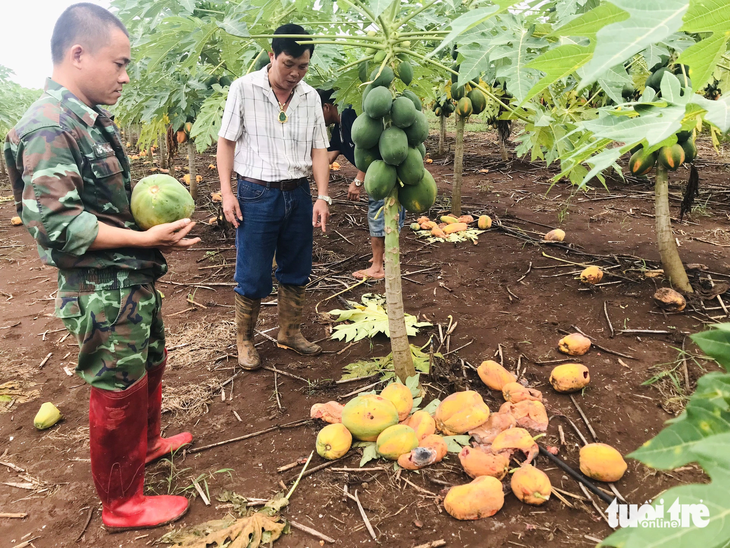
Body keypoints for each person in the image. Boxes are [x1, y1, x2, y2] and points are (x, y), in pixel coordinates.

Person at [4, 3, 199, 531]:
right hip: (100, 287)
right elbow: (58, 225)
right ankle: (121, 504)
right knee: (118, 384)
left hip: (128, 276)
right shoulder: (48, 126)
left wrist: (148, 233)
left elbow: (105, 203)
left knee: (149, 362)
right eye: (118, 63)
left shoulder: (87, 120)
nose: (125, 75)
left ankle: (147, 444)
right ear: (77, 53)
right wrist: (141, 236)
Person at [217, 24, 330, 371]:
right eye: (288, 64)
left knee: (296, 268)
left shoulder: (310, 96)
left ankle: (289, 332)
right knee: (253, 273)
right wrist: (226, 193)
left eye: (303, 66)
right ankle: (245, 340)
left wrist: (323, 196)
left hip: (297, 191)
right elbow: (226, 141)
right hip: (256, 192)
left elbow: (319, 149)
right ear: (272, 56)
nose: (295, 73)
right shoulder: (244, 88)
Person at [318, 89, 405, 280]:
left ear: (326, 107)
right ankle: (383, 257)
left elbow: (373, 149)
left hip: (383, 173)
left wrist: (358, 181)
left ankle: (377, 267)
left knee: (379, 216)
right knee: (382, 216)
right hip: (375, 174)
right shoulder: (338, 127)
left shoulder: (352, 116)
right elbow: (329, 156)